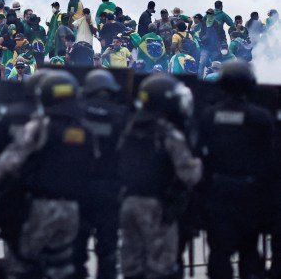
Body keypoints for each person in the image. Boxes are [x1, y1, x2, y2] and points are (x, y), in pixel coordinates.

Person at [0, 70, 94, 279]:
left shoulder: (40, 127)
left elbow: (10, 161)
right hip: (73, 209)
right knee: (61, 265)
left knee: (21, 264)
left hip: (42, 206)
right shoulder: (86, 129)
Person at [117, 74, 202, 279]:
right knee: (160, 269)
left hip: (128, 203)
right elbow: (189, 174)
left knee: (132, 266)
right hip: (158, 207)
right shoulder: (168, 133)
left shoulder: (128, 127)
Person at [198, 61, 273, 279]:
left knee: (219, 254)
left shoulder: (209, 116)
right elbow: (268, 159)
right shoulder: (260, 118)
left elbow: (201, 154)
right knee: (249, 252)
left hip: (218, 192)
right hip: (251, 195)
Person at [73, 70, 127, 279]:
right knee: (108, 248)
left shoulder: (77, 112)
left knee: (77, 247)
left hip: (79, 186)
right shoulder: (120, 114)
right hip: (109, 188)